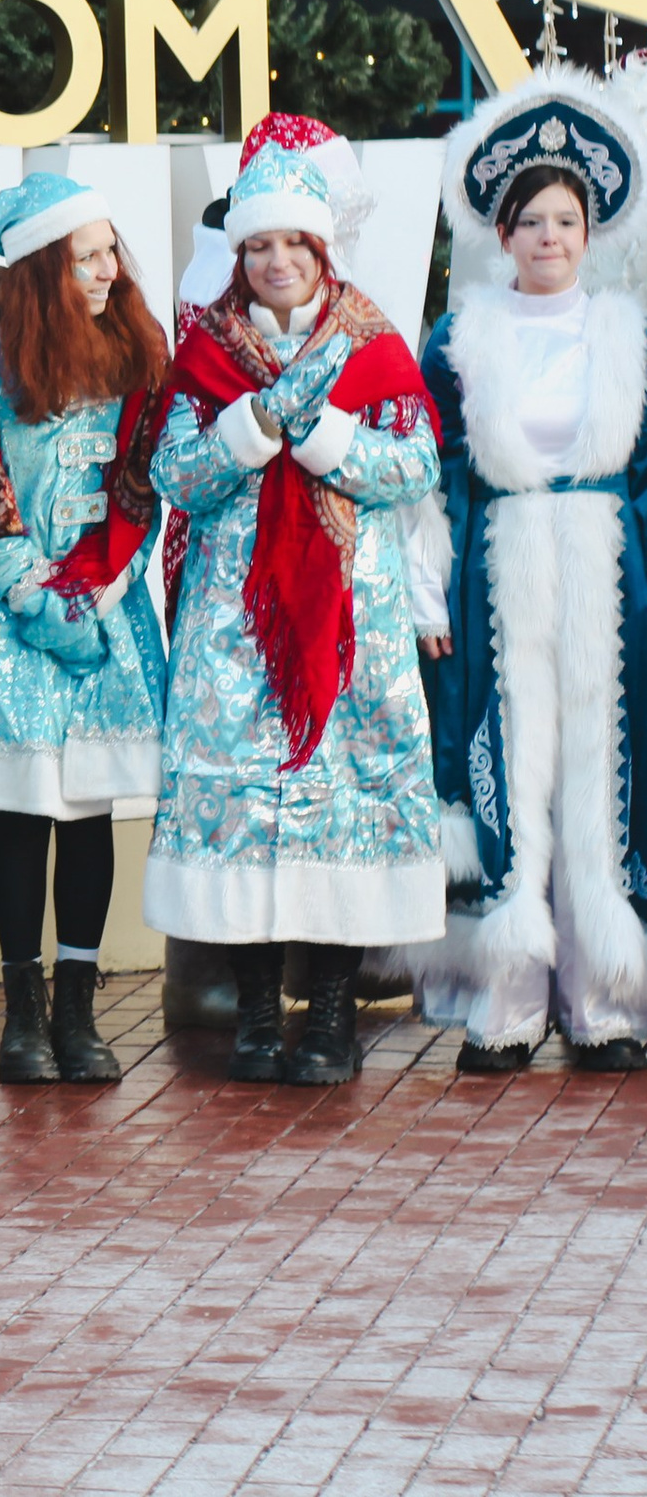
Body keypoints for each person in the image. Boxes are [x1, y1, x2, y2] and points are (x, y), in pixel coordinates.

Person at [148, 142, 445, 1084]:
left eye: (295, 246)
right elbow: (173, 475)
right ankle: (252, 1013)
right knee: (243, 807)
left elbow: (416, 466)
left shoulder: (375, 344)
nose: (278, 263)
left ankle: (326, 1015)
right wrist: (251, 430)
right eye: (261, 246)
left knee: (342, 806)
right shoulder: (205, 354)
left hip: (350, 617)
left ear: (323, 253)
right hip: (234, 624)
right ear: (240, 257)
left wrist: (323, 438)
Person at [413, 73, 647, 1073]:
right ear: (499, 232)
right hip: (498, 567)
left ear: (588, 232)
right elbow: (427, 476)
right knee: (505, 761)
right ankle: (506, 997)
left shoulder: (628, 334)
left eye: (565, 220)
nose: (549, 237)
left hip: (608, 569)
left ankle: (603, 997)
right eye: (530, 221)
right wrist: (428, 591)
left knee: (603, 771)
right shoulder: (460, 338)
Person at [0, 173, 170, 1086]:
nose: (109, 269)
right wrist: (34, 593)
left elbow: (144, 480)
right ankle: (24, 1016)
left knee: (91, 816)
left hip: (107, 608)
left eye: (111, 249)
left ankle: (80, 1011)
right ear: (41, 266)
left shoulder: (136, 343)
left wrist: (101, 588)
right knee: (26, 812)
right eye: (87, 256)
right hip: (9, 613)